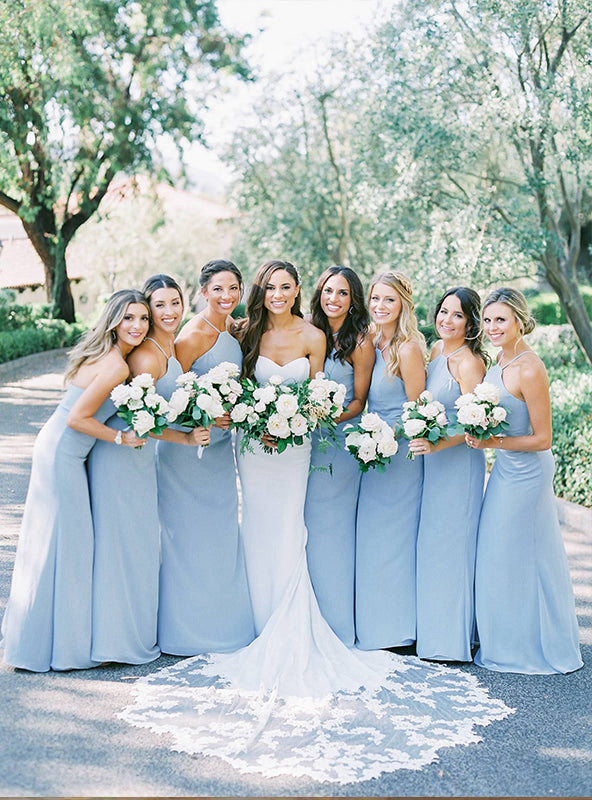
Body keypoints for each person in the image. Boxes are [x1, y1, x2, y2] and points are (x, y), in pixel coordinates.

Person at [119, 263, 512, 783]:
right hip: (255, 448)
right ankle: (255, 620)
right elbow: (203, 380)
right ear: (259, 292)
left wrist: (305, 416)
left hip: (300, 446)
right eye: (271, 287)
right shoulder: (246, 331)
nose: (279, 294)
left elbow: (335, 394)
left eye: (288, 286)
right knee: (259, 529)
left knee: (296, 530)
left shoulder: (316, 337)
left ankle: (301, 615)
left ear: (297, 292)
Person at [2, 290, 150, 672]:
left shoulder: (108, 355)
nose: (137, 326)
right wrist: (122, 437)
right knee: (69, 549)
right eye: (129, 318)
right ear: (113, 320)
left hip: (59, 451)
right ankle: (59, 649)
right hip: (62, 455)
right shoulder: (115, 365)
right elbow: (77, 419)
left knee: (55, 546)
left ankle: (43, 643)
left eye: (143, 319)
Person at [87, 275, 206, 665]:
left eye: (176, 303)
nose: (169, 312)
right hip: (125, 456)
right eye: (159, 306)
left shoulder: (168, 346)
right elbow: (141, 420)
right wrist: (185, 439)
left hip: (139, 458)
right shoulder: (143, 357)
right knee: (122, 546)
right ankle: (114, 642)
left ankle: (132, 633)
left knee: (137, 547)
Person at [468, 287, 582, 674]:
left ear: (519, 321)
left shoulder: (531, 367)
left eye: (501, 319)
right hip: (504, 467)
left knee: (513, 551)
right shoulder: (498, 359)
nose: (492, 327)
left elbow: (543, 438)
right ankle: (506, 636)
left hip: (529, 470)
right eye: (487, 320)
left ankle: (528, 646)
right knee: (498, 552)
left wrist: (492, 440)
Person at [155, 261, 255, 655]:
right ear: (203, 292)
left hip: (218, 450)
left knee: (219, 535)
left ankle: (218, 624)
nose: (227, 296)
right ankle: (186, 632)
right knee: (189, 538)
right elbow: (172, 393)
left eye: (233, 288)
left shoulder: (231, 327)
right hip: (189, 451)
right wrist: (205, 415)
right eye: (218, 289)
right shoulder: (194, 333)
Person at [408, 287, 488, 662]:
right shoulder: (437, 352)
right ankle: (433, 633)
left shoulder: (469, 363)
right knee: (432, 547)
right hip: (433, 464)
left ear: (470, 323)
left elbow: (477, 427)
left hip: (457, 466)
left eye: (457, 315)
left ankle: (451, 641)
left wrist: (437, 445)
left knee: (451, 548)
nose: (446, 320)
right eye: (443, 311)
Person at [355, 271, 427, 650]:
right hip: (370, 455)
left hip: (399, 458)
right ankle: (373, 625)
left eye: (389, 300)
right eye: (376, 299)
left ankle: (398, 631)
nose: (380, 306)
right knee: (371, 540)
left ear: (403, 305)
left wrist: (387, 437)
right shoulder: (369, 340)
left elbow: (417, 410)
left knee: (396, 541)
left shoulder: (408, 349)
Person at [304, 265, 374, 645]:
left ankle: (335, 624)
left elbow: (359, 400)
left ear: (353, 299)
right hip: (301, 441)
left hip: (340, 443)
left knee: (332, 529)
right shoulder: (307, 331)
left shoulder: (359, 342)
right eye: (328, 291)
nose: (334, 298)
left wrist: (327, 415)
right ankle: (304, 613)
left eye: (343, 293)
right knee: (306, 527)